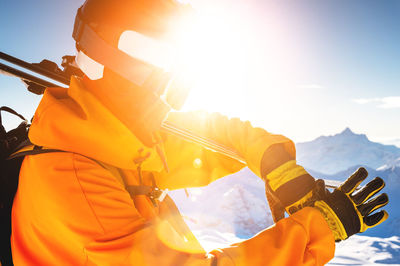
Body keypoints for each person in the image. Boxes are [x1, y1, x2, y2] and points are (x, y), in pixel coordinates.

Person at [11, 0, 388, 265]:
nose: (176, 78)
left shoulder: (123, 137)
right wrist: (319, 227)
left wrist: (278, 168)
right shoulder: (75, 183)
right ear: (129, 54)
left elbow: (220, 135)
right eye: (168, 57)